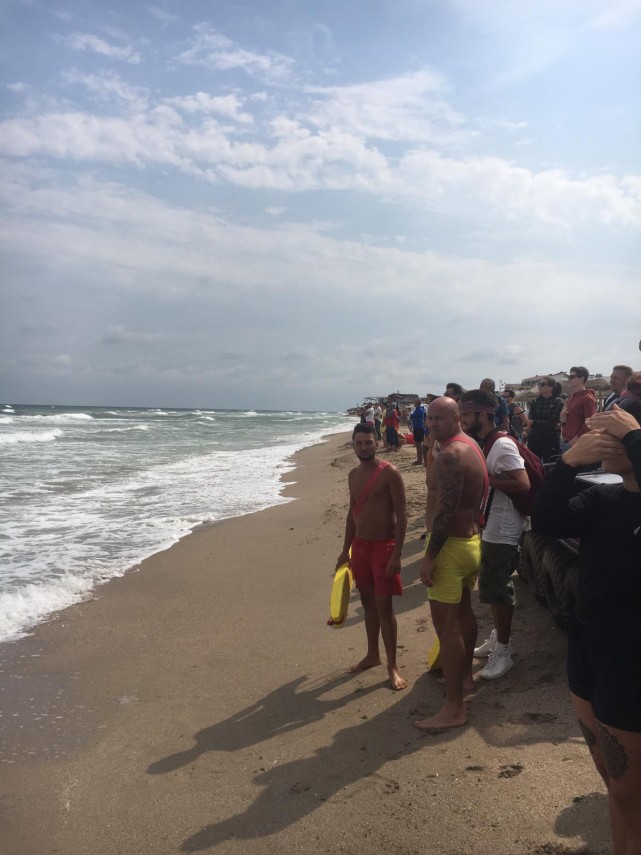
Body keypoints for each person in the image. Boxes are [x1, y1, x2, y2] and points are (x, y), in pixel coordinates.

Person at [531, 404, 641, 854]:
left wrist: (633, 435)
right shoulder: (603, 499)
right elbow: (545, 520)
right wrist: (568, 464)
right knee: (614, 785)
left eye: (616, 437)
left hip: (631, 662)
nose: (606, 443)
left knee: (632, 797)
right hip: (588, 648)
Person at [417, 396, 487, 731]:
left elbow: (444, 513)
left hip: (449, 547)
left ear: (458, 418)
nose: (432, 424)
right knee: (463, 613)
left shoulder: (449, 456)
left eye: (440, 419)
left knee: (446, 629)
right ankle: (466, 678)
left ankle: (454, 708)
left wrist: (430, 557)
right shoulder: (469, 445)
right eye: (430, 418)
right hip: (470, 542)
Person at [459, 390, 529, 680]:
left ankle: (503, 651)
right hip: (493, 524)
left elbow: (522, 483)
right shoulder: (486, 442)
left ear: (485, 415)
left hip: (504, 527)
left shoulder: (501, 444)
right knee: (490, 587)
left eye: (466, 414)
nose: (462, 420)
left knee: (499, 589)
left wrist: (485, 479)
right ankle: (498, 637)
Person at [335, 424, 408, 691]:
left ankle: (392, 665)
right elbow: (351, 515)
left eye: (368, 442)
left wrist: (397, 554)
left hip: (383, 548)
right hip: (360, 547)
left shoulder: (390, 473)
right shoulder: (353, 475)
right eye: (359, 443)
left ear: (377, 443)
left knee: (384, 608)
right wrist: (345, 550)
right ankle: (372, 654)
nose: (364, 447)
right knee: (367, 603)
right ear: (353, 445)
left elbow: (402, 516)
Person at [527, 376, 564, 462]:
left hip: (550, 437)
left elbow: (552, 422)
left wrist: (534, 422)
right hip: (534, 437)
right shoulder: (535, 401)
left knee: (550, 464)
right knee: (533, 464)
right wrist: (536, 422)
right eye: (539, 384)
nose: (540, 386)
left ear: (551, 387)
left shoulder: (557, 401)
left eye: (543, 384)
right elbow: (530, 420)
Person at [562, 366, 596, 450]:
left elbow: (590, 423)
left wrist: (574, 441)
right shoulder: (572, 396)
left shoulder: (587, 398)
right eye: (569, 377)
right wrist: (563, 417)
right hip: (567, 440)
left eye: (572, 377)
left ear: (582, 378)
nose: (569, 379)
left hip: (577, 443)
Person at [409, 397, 428, 465]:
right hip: (419, 427)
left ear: (416, 403)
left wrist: (411, 415)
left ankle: (420, 460)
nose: (413, 403)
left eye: (414, 402)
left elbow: (412, 416)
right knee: (419, 444)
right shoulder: (421, 409)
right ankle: (420, 459)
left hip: (418, 428)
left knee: (418, 445)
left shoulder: (419, 410)